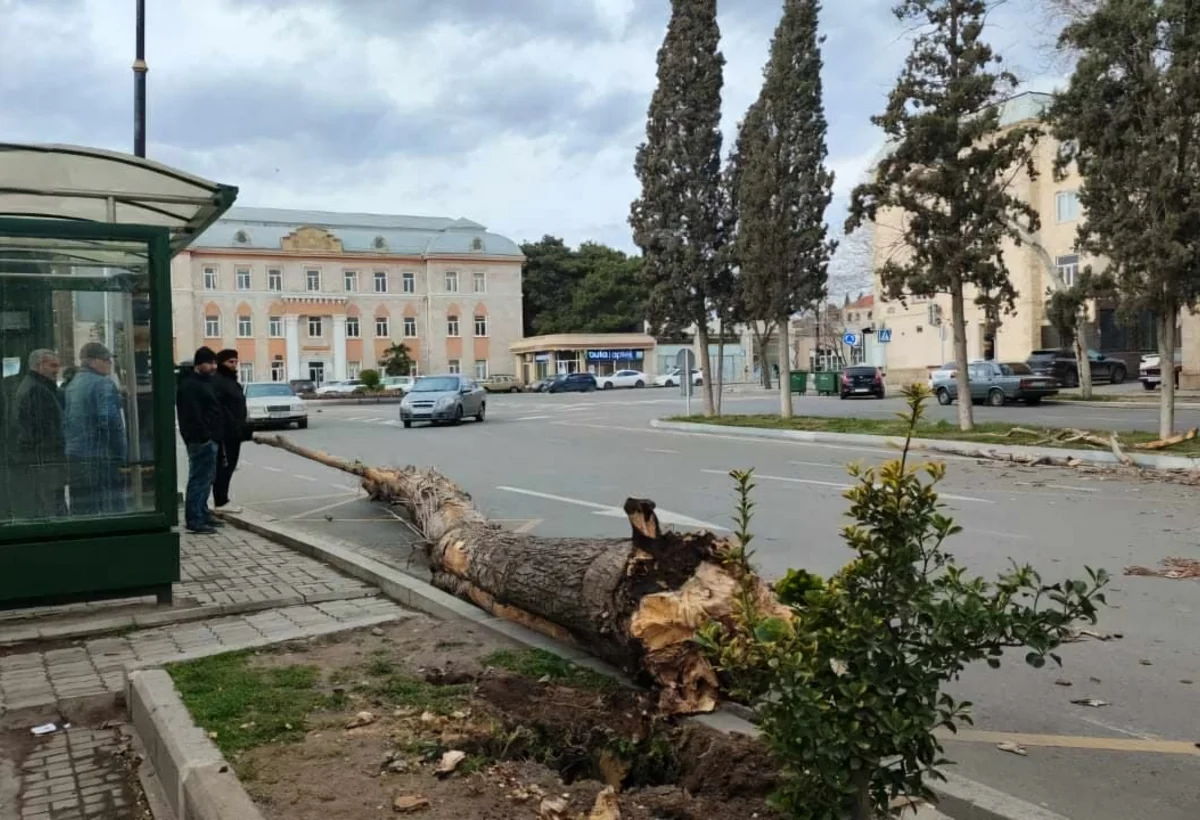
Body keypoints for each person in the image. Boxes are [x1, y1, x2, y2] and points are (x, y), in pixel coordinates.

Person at [64, 342, 128, 515]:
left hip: (76, 455)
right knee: (110, 506)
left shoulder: (73, 384)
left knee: (82, 506)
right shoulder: (103, 385)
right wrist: (120, 454)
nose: (110, 364)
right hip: (100, 457)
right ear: (93, 361)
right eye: (106, 360)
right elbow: (109, 421)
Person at [10, 349, 66, 518]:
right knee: (51, 506)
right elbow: (47, 430)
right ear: (39, 366)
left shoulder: (31, 386)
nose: (57, 370)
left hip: (39, 460)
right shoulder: (38, 391)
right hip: (45, 461)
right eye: (53, 365)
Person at [175, 348, 223, 534]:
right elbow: (192, 416)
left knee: (207, 479)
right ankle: (194, 519)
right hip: (201, 440)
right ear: (198, 364)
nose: (213, 367)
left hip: (208, 438)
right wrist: (204, 436)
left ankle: (202, 513)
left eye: (214, 363)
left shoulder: (204, 382)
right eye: (209, 363)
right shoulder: (190, 385)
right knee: (199, 479)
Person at [211, 349, 250, 513]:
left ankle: (222, 499)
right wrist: (232, 426)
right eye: (230, 362)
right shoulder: (218, 382)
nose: (234, 365)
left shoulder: (232, 381)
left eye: (235, 362)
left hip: (236, 431)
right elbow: (222, 409)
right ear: (221, 363)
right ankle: (220, 501)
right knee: (224, 466)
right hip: (226, 432)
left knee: (230, 465)